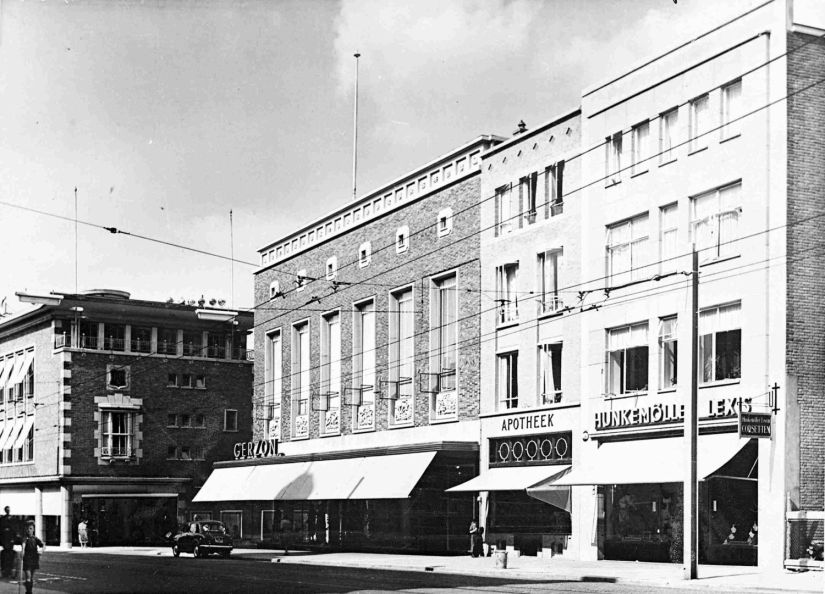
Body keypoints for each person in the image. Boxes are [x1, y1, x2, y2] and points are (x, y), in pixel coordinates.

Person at [21, 520, 44, 594]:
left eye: (30, 528)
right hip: (27, 560)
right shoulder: (25, 538)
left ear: (33, 529)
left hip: (34, 559)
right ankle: (28, 592)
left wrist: (41, 551)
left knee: (31, 578)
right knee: (28, 577)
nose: (29, 530)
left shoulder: (35, 538)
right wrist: (22, 552)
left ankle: (29, 590)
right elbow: (23, 546)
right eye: (27, 529)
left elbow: (42, 545)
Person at [0, 506, 14, 578]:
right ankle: (4, 571)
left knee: (10, 555)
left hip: (10, 539)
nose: (8, 511)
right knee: (5, 555)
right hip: (4, 539)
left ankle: (9, 571)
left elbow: (14, 529)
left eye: (9, 510)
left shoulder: (12, 518)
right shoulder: (2, 519)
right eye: (7, 510)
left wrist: (13, 538)